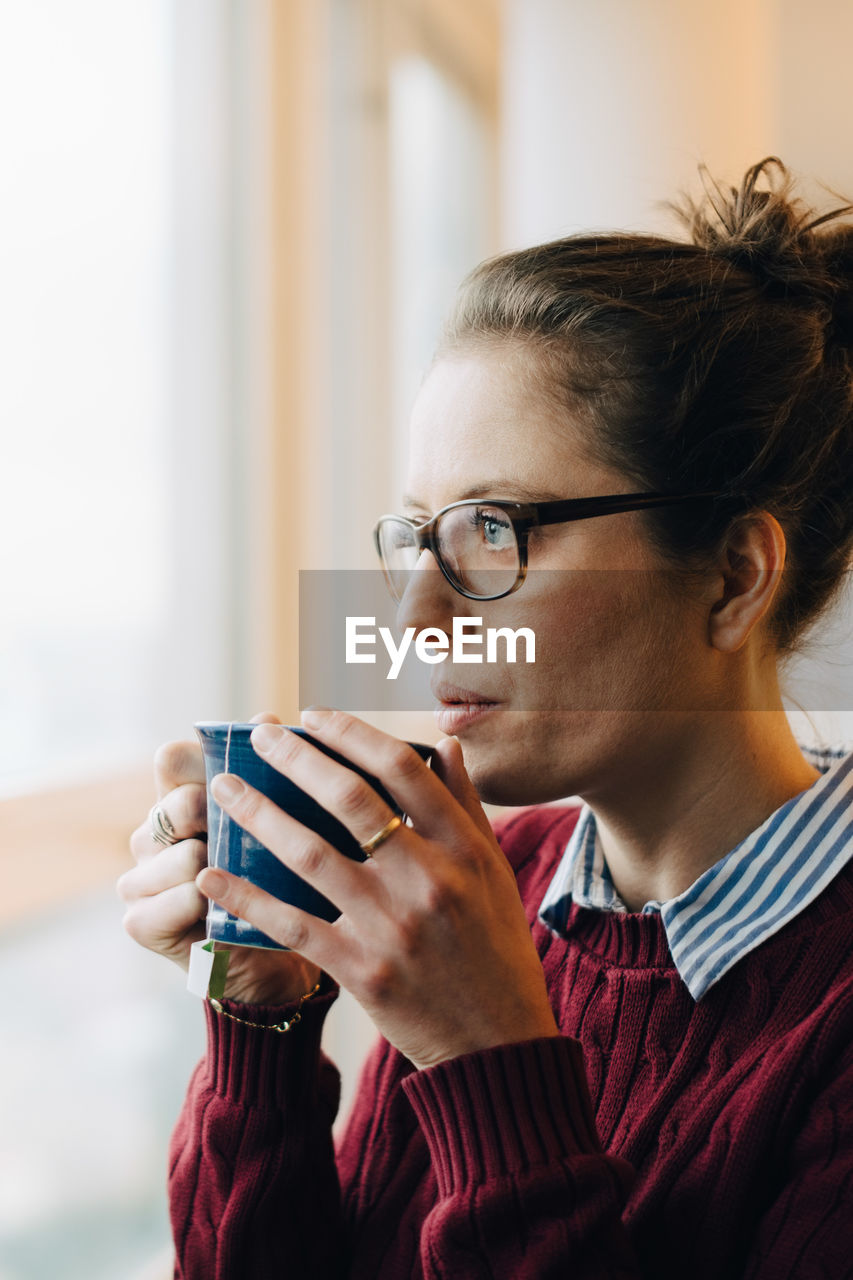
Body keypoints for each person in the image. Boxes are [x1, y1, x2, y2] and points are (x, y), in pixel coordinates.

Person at [118, 157, 853, 1279]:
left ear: (732, 576)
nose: (417, 611)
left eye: (494, 530)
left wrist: (486, 1055)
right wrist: (259, 1019)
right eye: (418, 534)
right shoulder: (487, 883)